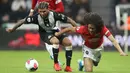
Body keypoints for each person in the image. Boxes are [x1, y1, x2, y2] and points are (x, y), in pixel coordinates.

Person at [6, 2, 77, 72]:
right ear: (38, 10)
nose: (42, 13)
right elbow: (22, 21)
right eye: (40, 11)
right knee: (56, 41)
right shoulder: (36, 17)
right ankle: (56, 63)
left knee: (68, 43)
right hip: (45, 34)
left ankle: (68, 67)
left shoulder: (55, 14)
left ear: (48, 9)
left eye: (44, 11)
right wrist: (13, 29)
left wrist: (78, 28)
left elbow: (69, 20)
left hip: (55, 32)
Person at [54, 12, 128, 72]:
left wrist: (121, 51)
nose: (91, 30)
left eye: (93, 28)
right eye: (89, 28)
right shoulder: (83, 29)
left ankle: (81, 63)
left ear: (97, 27)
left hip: (99, 48)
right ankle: (85, 64)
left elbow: (113, 40)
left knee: (95, 63)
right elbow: (69, 29)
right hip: (87, 48)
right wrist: (58, 33)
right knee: (89, 70)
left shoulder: (102, 29)